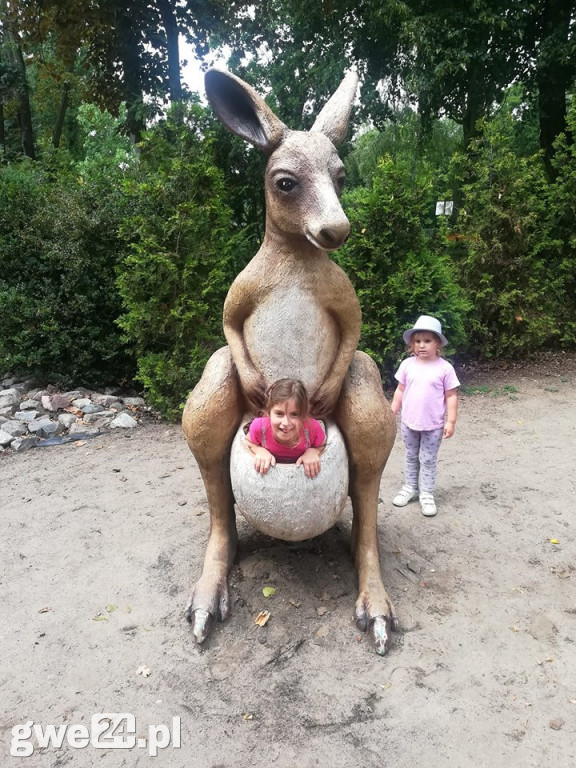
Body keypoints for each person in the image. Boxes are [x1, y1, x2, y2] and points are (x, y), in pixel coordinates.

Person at [390, 315, 460, 517]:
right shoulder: (407, 365)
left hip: (433, 425)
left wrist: (451, 421)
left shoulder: (445, 368)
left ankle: (427, 493)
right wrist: (392, 411)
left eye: (427, 341)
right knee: (411, 456)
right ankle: (411, 487)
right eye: (417, 341)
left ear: (437, 343)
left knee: (428, 459)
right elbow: (400, 391)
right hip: (409, 423)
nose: (422, 345)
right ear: (412, 344)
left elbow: (451, 395)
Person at [245, 378, 326, 479]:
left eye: (294, 415)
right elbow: (249, 442)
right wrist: (260, 451)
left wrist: (313, 452)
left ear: (304, 415)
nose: (286, 423)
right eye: (279, 414)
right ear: (269, 412)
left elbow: (321, 445)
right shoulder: (260, 428)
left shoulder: (312, 429)